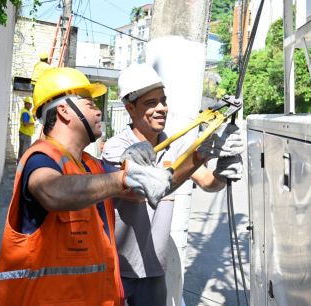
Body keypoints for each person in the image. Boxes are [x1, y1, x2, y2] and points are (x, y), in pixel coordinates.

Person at [0, 67, 174, 305]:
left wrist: (200, 157)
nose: (99, 111)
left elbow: (145, 186)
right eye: (90, 104)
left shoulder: (90, 165)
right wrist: (122, 178)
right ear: (64, 111)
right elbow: (51, 190)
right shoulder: (41, 157)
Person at [101, 63, 244, 306]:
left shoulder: (175, 147)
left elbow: (208, 183)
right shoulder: (116, 147)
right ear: (130, 108)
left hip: (155, 269)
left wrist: (223, 171)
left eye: (163, 101)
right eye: (150, 103)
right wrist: (200, 156)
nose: (161, 109)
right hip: (117, 268)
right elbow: (140, 191)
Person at [18, 96, 35, 160]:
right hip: (25, 134)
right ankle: (21, 167)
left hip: (26, 134)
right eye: (28, 104)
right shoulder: (25, 112)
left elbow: (30, 119)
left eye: (31, 104)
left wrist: (33, 117)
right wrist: (32, 123)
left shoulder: (27, 111)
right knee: (24, 152)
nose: (30, 105)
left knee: (23, 151)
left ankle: (20, 165)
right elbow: (25, 124)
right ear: (25, 104)